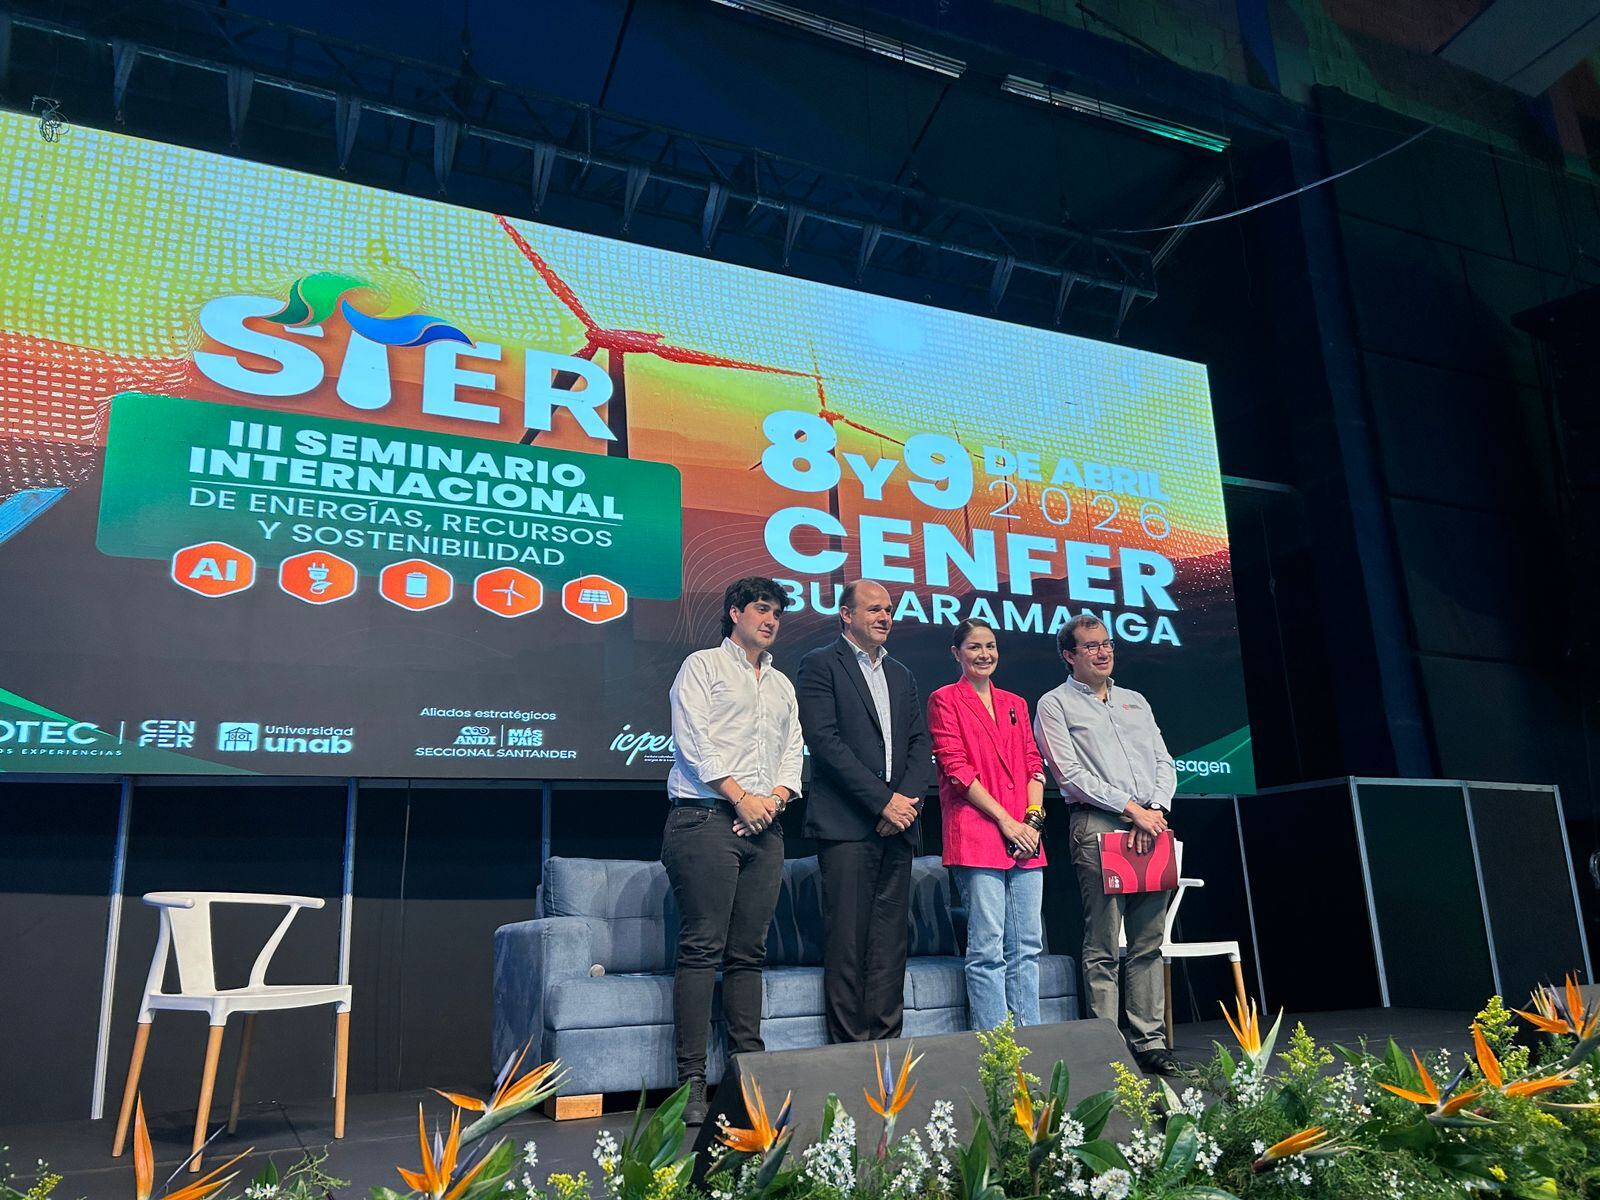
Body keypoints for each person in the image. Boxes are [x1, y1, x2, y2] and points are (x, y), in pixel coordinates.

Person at [663, 577, 803, 1125]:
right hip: (703, 818)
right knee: (703, 947)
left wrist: (771, 800)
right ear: (735, 612)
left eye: (777, 613)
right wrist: (739, 796)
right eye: (761, 610)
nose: (770, 620)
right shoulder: (702, 666)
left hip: (764, 825)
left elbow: (792, 750)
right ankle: (691, 1082)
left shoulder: (782, 685)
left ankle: (748, 1072)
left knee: (749, 952)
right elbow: (692, 737)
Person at [1033, 615, 1180, 1076]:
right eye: (1091, 646)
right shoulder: (1054, 704)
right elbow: (1069, 774)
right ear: (1069, 655)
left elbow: (1163, 760)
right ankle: (1107, 1045)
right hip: (1098, 824)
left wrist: (1152, 809)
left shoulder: (1135, 700)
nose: (1103, 652)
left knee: (1148, 942)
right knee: (1102, 943)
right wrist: (1131, 810)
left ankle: (1149, 1042)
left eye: (1107, 644)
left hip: (1150, 825)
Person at [796, 579, 935, 1043]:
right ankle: (851, 1050)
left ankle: (886, 1045)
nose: (884, 617)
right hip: (847, 826)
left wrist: (905, 804)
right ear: (846, 614)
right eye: (874, 609)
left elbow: (919, 744)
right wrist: (882, 801)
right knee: (849, 944)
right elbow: (825, 743)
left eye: (889, 610)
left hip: (898, 826)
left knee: (890, 943)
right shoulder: (819, 665)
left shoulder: (901, 674)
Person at [925, 618, 1049, 1030]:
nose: (984, 654)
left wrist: (1031, 822)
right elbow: (956, 770)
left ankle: (1029, 1038)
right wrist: (1006, 822)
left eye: (991, 646)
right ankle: (996, 1046)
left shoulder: (1016, 702)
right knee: (987, 949)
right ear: (956, 653)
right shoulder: (944, 699)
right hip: (978, 831)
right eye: (974, 647)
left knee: (1028, 946)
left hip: (1026, 836)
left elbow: (1034, 764)